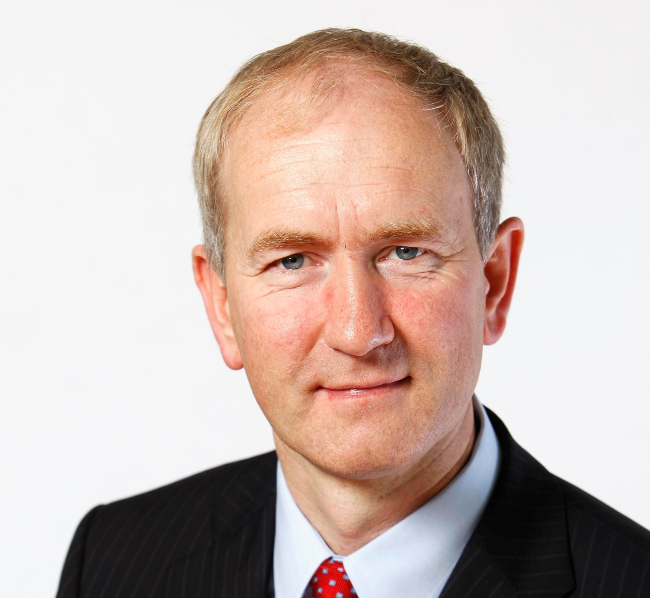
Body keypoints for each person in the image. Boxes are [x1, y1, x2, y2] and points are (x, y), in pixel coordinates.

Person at [56, 28, 650, 598]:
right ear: (222, 306)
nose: (357, 332)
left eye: (406, 252)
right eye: (292, 261)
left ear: (494, 281)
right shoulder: (112, 563)